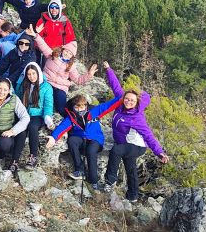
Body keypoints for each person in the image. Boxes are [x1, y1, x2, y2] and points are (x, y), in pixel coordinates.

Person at [101, 62, 169, 200]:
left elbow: (148, 136)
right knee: (130, 167)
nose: (128, 102)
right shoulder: (121, 102)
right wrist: (108, 69)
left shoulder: (137, 118)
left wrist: (159, 152)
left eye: (132, 100)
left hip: (137, 145)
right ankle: (133, 196)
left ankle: (110, 181)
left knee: (116, 150)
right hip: (126, 143)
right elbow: (115, 86)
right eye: (127, 99)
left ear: (137, 102)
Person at [46, 93, 121, 190]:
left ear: (86, 106)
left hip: (95, 139)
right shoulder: (71, 116)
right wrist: (53, 137)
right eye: (77, 107)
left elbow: (108, 105)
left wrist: (123, 98)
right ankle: (80, 170)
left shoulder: (94, 111)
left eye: (82, 107)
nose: (80, 110)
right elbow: (62, 127)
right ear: (73, 107)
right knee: (72, 140)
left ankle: (94, 181)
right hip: (80, 138)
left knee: (91, 151)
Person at [27, 25, 97, 113]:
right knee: (39, 100)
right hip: (47, 82)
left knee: (61, 109)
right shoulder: (53, 55)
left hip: (60, 87)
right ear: (63, 49)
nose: (67, 54)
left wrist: (89, 75)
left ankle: (84, 109)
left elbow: (78, 79)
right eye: (67, 51)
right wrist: (36, 36)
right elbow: (43, 46)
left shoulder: (71, 66)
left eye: (70, 54)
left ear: (72, 56)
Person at [12, 63, 54, 170]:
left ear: (38, 73)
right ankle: (14, 161)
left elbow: (48, 105)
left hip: (37, 115)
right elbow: (16, 99)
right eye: (29, 74)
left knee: (32, 127)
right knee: (21, 131)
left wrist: (48, 118)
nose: (31, 76)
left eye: (34, 73)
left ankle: (33, 157)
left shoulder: (46, 87)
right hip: (24, 114)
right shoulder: (23, 84)